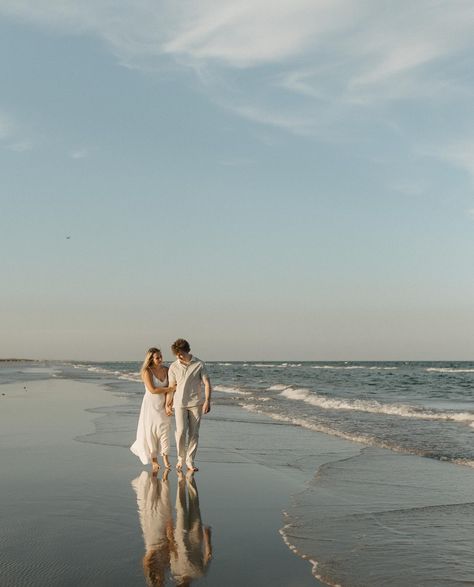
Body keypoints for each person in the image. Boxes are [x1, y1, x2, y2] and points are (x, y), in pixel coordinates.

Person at [167, 339, 211, 472]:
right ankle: (181, 458)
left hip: (196, 403)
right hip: (179, 403)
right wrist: (168, 404)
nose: (178, 356)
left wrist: (207, 400)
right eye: (176, 354)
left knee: (194, 434)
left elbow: (207, 384)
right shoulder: (173, 366)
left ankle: (190, 461)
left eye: (180, 353)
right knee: (180, 432)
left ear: (187, 351)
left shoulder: (199, 364)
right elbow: (171, 387)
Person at [130, 347, 176, 472]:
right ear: (151, 359)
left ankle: (166, 458)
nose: (160, 359)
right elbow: (153, 390)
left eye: (161, 356)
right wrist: (170, 389)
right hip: (150, 405)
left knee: (165, 431)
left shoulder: (167, 370)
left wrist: (169, 404)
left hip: (163, 404)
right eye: (157, 357)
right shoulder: (147, 371)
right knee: (151, 432)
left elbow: (173, 386)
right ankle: (154, 461)